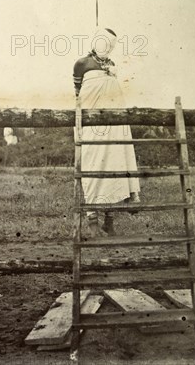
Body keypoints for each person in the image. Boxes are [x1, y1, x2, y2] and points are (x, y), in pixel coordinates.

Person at [73, 28, 141, 236]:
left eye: (109, 44)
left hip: (114, 124)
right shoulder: (81, 63)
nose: (105, 46)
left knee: (115, 163)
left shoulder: (112, 65)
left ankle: (109, 220)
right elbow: (77, 94)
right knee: (92, 165)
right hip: (92, 124)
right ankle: (92, 219)